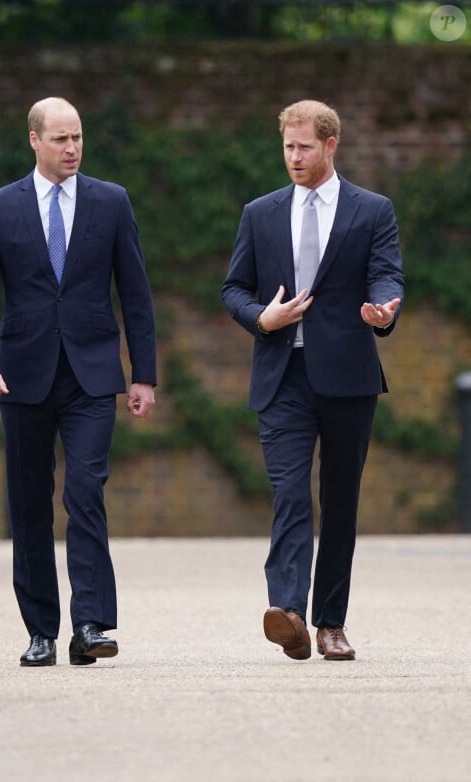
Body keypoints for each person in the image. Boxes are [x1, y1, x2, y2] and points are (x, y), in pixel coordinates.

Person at [0, 97, 157, 667]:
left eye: (78, 138)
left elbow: (136, 294)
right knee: (28, 504)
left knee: (85, 491)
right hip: (20, 376)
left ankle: (91, 624)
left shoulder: (111, 202)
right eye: (61, 139)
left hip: (93, 375)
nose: (72, 148)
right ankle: (42, 630)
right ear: (34, 141)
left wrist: (142, 374)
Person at [221, 99, 403, 661]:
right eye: (286, 147)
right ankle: (290, 613)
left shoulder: (371, 210)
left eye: (303, 147)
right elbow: (234, 289)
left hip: (348, 375)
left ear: (330, 146)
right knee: (289, 493)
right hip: (282, 376)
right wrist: (261, 317)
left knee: (341, 501)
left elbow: (386, 273)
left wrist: (382, 310)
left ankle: (331, 624)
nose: (293, 157)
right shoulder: (261, 212)